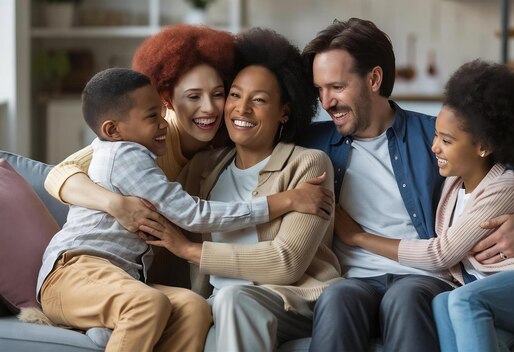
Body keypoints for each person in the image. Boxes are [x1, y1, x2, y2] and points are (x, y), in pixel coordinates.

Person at [300, 18, 514, 351]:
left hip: (423, 277)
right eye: (319, 90)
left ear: (373, 79)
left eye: (337, 87)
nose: (326, 102)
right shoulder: (310, 145)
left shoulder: (440, 138)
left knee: (405, 297)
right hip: (352, 279)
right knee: (337, 297)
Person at [37, 67, 285, 352]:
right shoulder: (126, 153)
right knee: (146, 304)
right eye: (152, 116)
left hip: (118, 280)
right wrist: (280, 202)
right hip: (73, 274)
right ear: (113, 130)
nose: (164, 123)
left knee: (193, 307)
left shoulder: (189, 152)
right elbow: (194, 215)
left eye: (218, 94)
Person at [136, 28, 342, 352]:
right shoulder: (204, 167)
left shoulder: (308, 165)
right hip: (223, 302)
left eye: (258, 100)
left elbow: (286, 262)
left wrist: (190, 251)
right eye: (234, 94)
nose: (241, 109)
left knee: (233, 299)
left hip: (293, 301)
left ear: (284, 111)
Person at [43, 25, 332, 245]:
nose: (209, 108)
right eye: (193, 97)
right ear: (166, 100)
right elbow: (59, 173)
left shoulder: (232, 136)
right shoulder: (145, 136)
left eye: (219, 94)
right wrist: (115, 204)